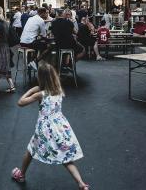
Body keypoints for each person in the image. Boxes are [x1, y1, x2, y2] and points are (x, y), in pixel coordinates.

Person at [12, 62, 89, 190]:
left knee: (31, 149)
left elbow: (20, 103)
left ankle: (21, 175)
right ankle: (81, 183)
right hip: (60, 128)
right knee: (66, 158)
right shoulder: (59, 91)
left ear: (40, 78)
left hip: (44, 130)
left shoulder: (40, 94)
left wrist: (31, 90)